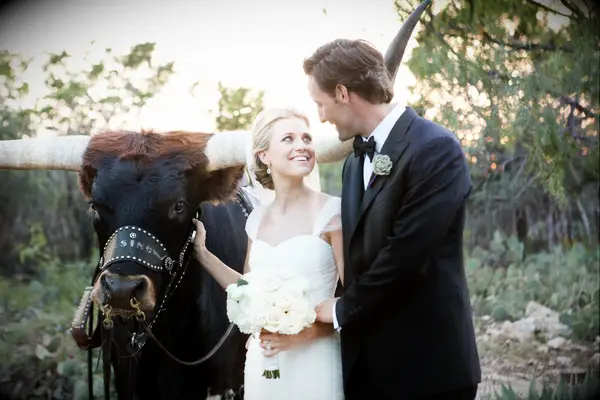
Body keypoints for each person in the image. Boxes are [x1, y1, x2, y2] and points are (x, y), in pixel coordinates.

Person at [305, 38, 482, 400]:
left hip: (428, 368)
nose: (320, 117)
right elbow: (355, 257)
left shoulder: (435, 148)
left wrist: (342, 309)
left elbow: (406, 254)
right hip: (366, 369)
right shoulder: (354, 162)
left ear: (342, 93)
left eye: (319, 105)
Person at [192, 107, 345, 400]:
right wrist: (202, 253)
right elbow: (247, 289)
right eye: (288, 138)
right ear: (264, 155)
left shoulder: (332, 213)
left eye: (307, 138)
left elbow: (358, 296)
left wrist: (308, 332)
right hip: (263, 364)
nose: (302, 146)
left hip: (316, 360)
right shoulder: (257, 220)